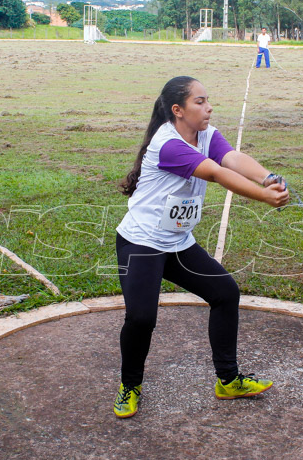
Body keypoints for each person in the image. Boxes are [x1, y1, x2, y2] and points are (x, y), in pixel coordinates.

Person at [113, 76, 289, 418]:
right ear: (178, 110)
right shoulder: (168, 144)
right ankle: (129, 385)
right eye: (200, 102)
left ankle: (228, 380)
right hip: (141, 243)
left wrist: (267, 177)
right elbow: (215, 174)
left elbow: (232, 159)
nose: (208, 108)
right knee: (141, 317)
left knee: (225, 293)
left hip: (177, 244)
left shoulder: (205, 135)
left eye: (208, 101)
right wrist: (265, 197)